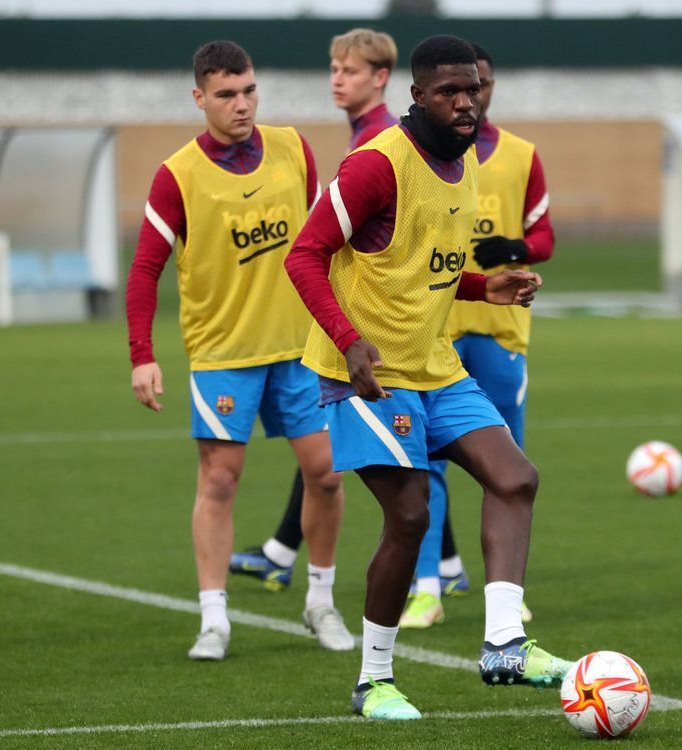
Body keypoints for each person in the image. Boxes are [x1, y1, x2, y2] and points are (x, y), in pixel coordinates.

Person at [285, 34, 572, 720]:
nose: (465, 101)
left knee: (516, 477)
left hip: (434, 365)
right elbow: (303, 256)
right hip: (367, 375)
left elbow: (422, 267)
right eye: (448, 91)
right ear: (416, 97)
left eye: (472, 88)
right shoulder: (376, 165)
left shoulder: (465, 158)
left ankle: (504, 641)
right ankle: (373, 681)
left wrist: (484, 288)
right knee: (409, 514)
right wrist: (350, 343)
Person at [126, 40, 354, 661]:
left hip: (299, 349)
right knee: (221, 480)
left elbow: (324, 243)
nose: (242, 104)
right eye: (226, 94)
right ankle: (214, 619)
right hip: (223, 353)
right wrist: (141, 354)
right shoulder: (177, 174)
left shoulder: (293, 149)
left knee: (328, 474)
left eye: (249, 90)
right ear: (199, 98)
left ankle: (320, 601)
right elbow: (145, 269)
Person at [230, 28, 399, 593]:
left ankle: (425, 581)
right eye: (332, 68)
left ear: (380, 77)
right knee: (325, 455)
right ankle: (282, 550)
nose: (337, 78)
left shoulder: (380, 143)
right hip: (363, 323)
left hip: (371, 330)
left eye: (349, 70)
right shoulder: (366, 139)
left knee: (394, 466)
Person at [400, 42, 554, 629]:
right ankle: (427, 588)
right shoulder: (423, 156)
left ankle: (506, 598)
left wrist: (512, 250)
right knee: (426, 464)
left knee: (506, 465)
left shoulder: (520, 155)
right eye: (461, 87)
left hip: (498, 329)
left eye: (481, 85)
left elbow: (545, 239)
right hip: (437, 328)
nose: (472, 97)